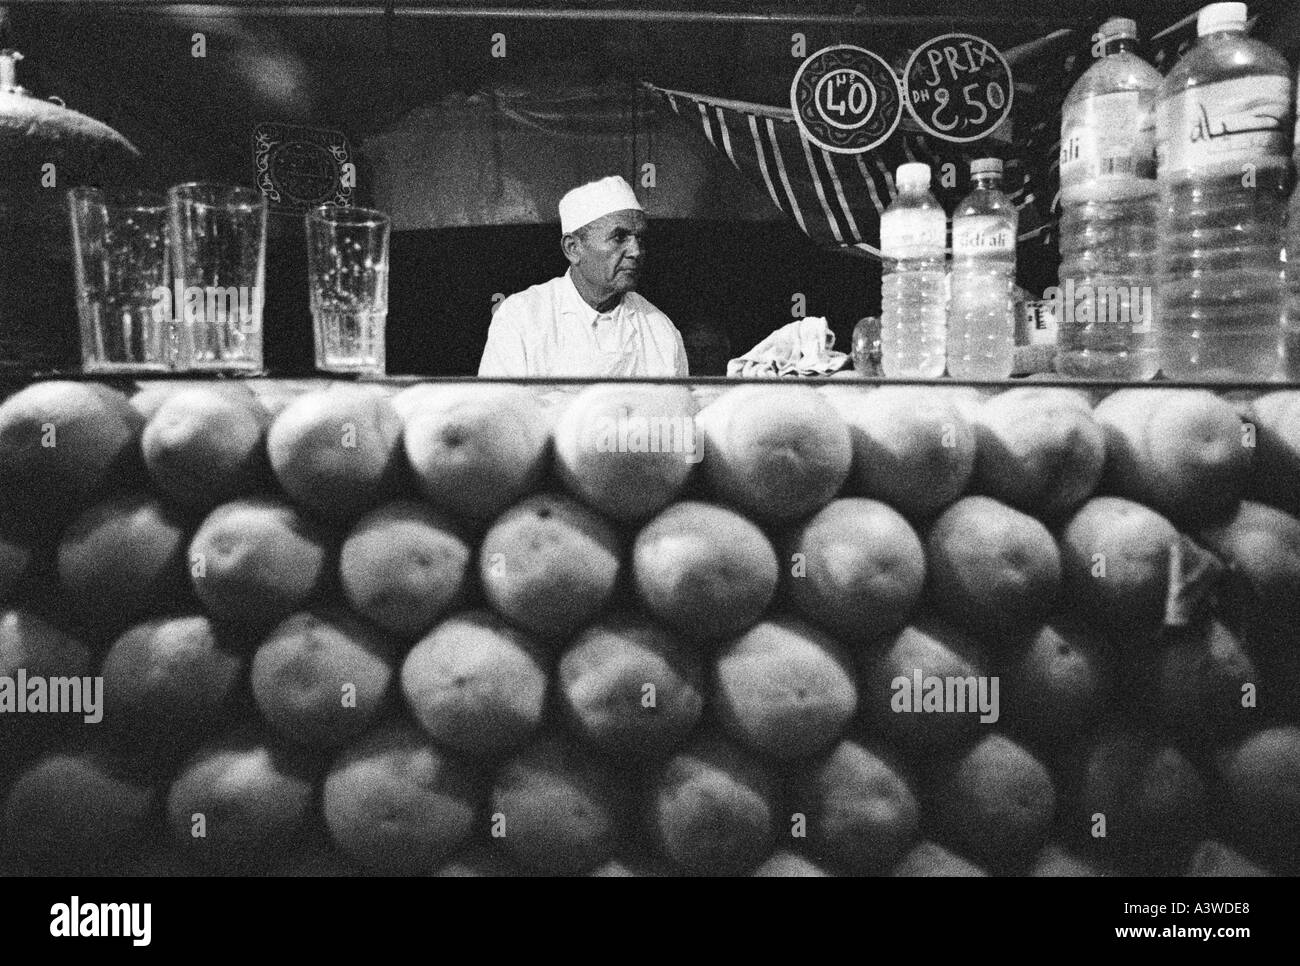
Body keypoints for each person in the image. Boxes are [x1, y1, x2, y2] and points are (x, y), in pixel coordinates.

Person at [478, 175, 689, 377]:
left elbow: (676, 412)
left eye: (640, 239)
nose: (636, 251)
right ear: (573, 248)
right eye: (620, 237)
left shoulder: (660, 331)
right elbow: (496, 410)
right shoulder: (522, 318)